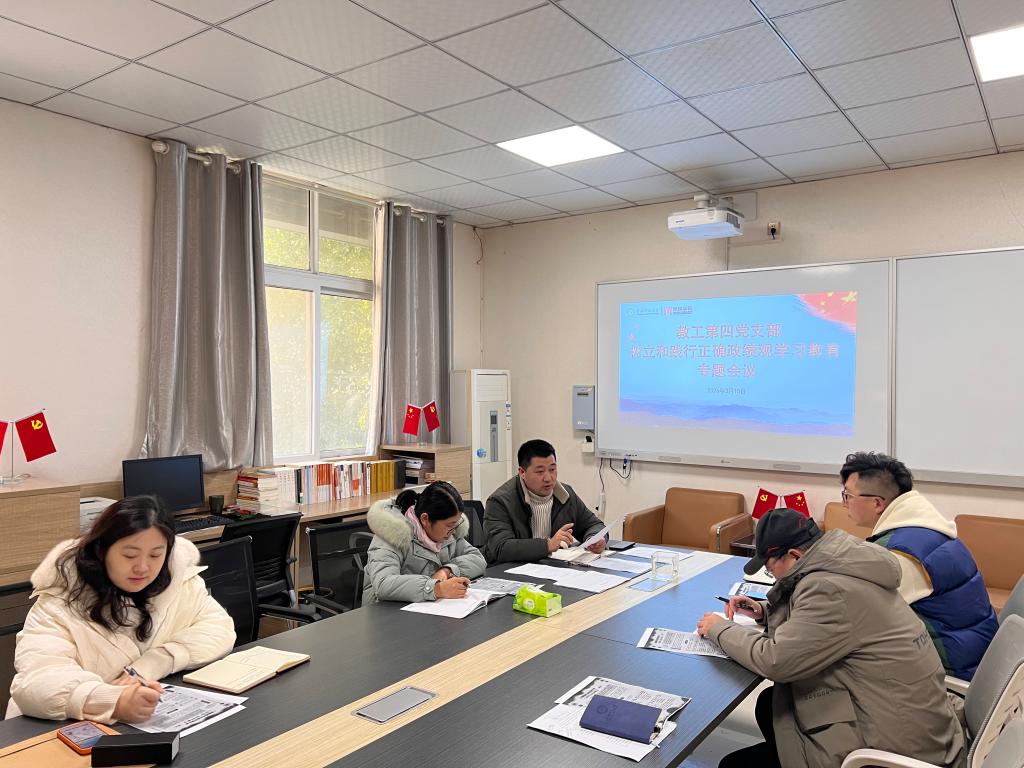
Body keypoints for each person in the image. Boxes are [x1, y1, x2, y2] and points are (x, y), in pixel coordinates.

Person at [696, 508, 963, 768]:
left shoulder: (827, 588)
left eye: (770, 568)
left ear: (794, 555)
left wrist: (719, 628)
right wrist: (764, 612)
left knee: (733, 763)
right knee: (771, 703)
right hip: (915, 719)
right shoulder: (847, 565)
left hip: (896, 745)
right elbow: (835, 623)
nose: (773, 576)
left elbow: (776, 661)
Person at [7, 496, 235, 724]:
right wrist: (112, 701)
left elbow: (219, 629)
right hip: (49, 731)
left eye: (156, 555)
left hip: (138, 725)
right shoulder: (58, 602)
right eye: (129, 555)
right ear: (102, 550)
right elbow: (36, 681)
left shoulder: (180, 582)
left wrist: (158, 661)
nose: (143, 567)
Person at [841, 451, 997, 680]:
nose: (844, 503)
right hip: (977, 660)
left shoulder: (901, 555)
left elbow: (853, 617)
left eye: (847, 495)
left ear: (877, 503)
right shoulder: (930, 530)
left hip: (951, 676)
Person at [483, 439, 607, 564]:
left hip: (551, 567)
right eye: (540, 472)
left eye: (552, 469)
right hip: (509, 569)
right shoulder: (500, 501)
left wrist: (595, 539)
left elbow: (593, 525)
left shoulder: (565, 494)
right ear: (522, 472)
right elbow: (501, 548)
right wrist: (547, 545)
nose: (548, 478)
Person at [363, 480, 486, 604]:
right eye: (449, 525)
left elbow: (478, 559)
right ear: (425, 519)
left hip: (427, 606)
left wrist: (447, 570)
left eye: (456, 524)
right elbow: (383, 584)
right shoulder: (393, 534)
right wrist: (436, 588)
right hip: (385, 609)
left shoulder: (448, 533)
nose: (453, 531)